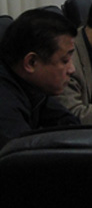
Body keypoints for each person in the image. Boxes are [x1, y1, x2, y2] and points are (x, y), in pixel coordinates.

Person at [0, 10, 80, 147]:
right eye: (65, 60)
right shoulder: (4, 106)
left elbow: (69, 124)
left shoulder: (31, 85)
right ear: (31, 62)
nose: (72, 69)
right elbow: (21, 156)